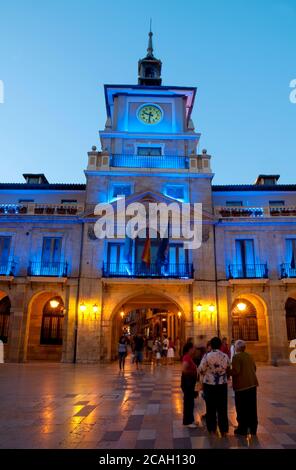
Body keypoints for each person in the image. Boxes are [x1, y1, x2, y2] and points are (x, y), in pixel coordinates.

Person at [199, 337, 230, 436]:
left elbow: (201, 369)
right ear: (220, 345)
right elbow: (228, 367)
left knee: (210, 407)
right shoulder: (225, 356)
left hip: (209, 385)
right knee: (222, 407)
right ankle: (224, 429)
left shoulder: (207, 356)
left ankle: (211, 428)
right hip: (222, 385)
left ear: (211, 345)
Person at [231, 339, 259, 436]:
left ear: (237, 348)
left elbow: (236, 371)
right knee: (252, 408)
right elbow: (254, 368)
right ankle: (253, 429)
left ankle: (242, 428)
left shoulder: (236, 357)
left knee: (241, 408)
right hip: (252, 384)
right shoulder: (249, 356)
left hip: (241, 386)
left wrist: (227, 370)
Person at [181, 341, 198, 428]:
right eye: (193, 348)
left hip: (190, 383)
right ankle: (188, 421)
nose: (195, 349)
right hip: (188, 383)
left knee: (190, 402)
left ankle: (190, 420)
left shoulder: (189, 357)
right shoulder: (187, 357)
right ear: (190, 349)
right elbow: (184, 370)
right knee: (188, 402)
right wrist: (193, 373)